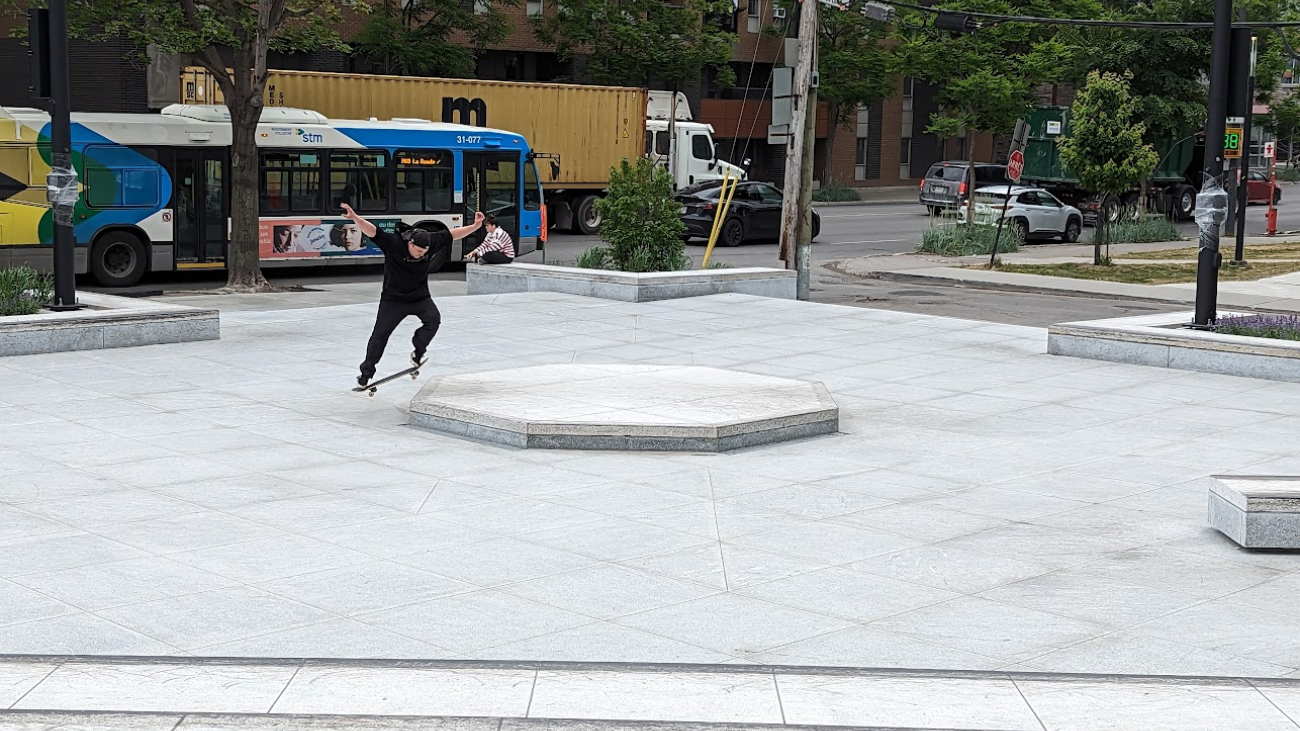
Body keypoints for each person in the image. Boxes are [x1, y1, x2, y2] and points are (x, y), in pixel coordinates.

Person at [341, 203, 485, 387]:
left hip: (420, 297)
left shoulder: (430, 242)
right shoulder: (394, 244)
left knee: (433, 320)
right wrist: (355, 218)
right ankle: (366, 373)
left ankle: (417, 352)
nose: (420, 255)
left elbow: (452, 235)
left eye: (424, 253)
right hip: (393, 299)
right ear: (410, 243)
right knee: (380, 335)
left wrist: (474, 227)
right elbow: (373, 231)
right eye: (418, 251)